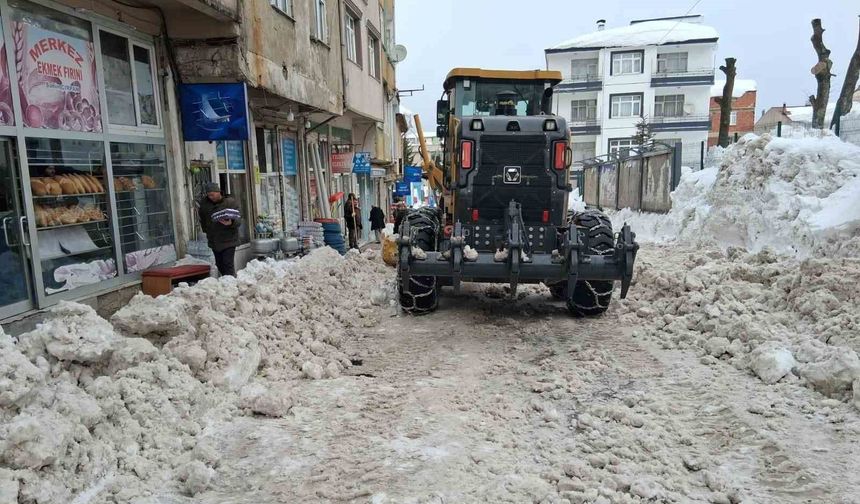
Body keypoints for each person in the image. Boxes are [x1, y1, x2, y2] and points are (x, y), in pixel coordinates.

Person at [198, 182, 241, 277]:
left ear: (218, 192)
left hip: (229, 239)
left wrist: (231, 223)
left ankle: (231, 282)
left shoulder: (230, 202)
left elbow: (238, 219)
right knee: (219, 264)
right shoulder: (205, 204)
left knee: (227, 264)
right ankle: (227, 280)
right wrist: (206, 230)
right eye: (209, 195)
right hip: (214, 240)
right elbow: (202, 219)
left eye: (212, 194)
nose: (211, 197)